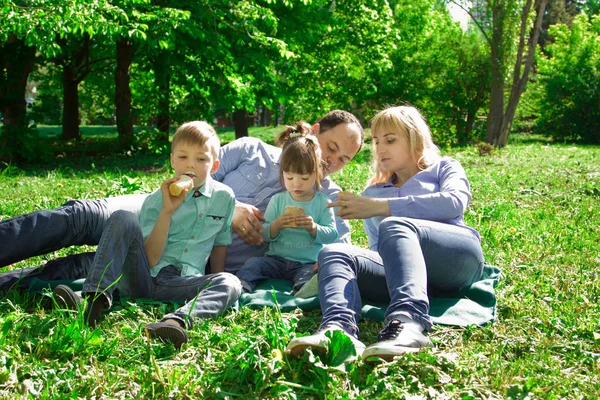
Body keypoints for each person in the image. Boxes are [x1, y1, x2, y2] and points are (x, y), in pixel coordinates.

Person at [0, 110, 364, 289]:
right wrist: (230, 206)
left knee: (82, 268)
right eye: (331, 147)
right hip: (158, 212)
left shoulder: (328, 199)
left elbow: (341, 253)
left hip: (187, 263)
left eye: (343, 159)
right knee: (78, 217)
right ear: (315, 131)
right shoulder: (253, 150)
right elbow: (192, 173)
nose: (331, 161)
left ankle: (9, 283)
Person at [286, 105, 485, 361]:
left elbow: (454, 201)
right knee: (334, 252)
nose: (380, 149)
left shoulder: (444, 167)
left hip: (457, 260)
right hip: (409, 277)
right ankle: (338, 329)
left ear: (415, 139)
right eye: (377, 142)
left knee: (395, 224)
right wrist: (343, 264)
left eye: (390, 140)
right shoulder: (374, 193)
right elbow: (381, 251)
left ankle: (409, 323)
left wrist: (383, 208)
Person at [52, 121, 241, 349]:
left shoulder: (225, 198)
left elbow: (220, 243)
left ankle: (175, 323)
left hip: (183, 284)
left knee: (230, 282)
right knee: (123, 217)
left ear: (214, 165)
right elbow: (150, 258)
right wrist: (167, 211)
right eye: (183, 157)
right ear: (172, 160)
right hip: (143, 277)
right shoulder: (156, 200)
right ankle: (92, 302)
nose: (190, 165)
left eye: (201, 159)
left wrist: (214, 287)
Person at [236, 123, 338, 294]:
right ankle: (241, 284)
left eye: (304, 178)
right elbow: (265, 234)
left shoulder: (322, 202)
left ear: (317, 174)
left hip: (306, 262)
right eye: (289, 177)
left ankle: (303, 288)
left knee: (309, 274)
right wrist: (277, 225)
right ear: (282, 173)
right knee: (254, 263)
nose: (296, 184)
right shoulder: (278, 200)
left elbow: (331, 235)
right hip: (277, 260)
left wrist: (313, 228)